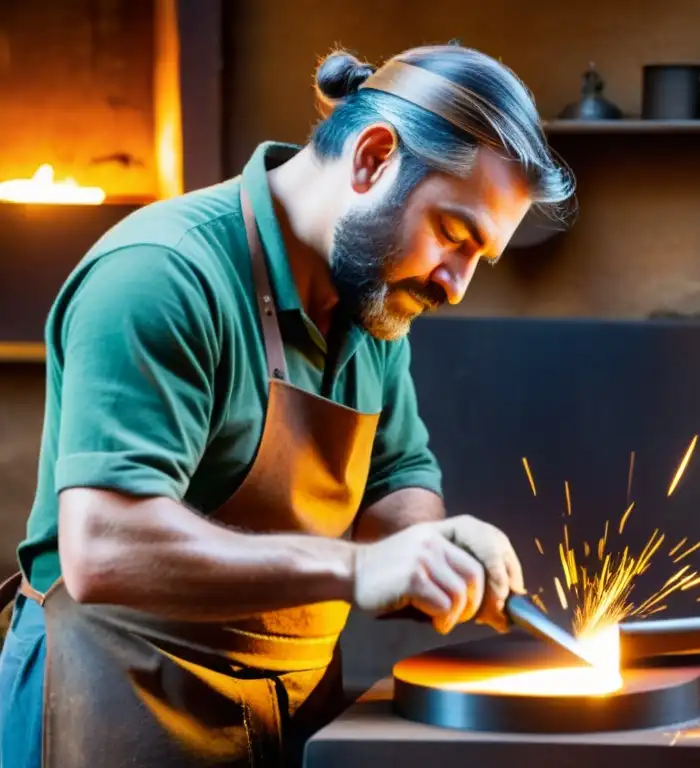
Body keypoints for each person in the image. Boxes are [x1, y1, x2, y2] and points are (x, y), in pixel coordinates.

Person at [0, 43, 575, 767]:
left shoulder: (372, 299)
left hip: (288, 719)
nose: (455, 284)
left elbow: (398, 482)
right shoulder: (161, 275)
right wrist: (357, 570)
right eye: (453, 236)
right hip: (107, 711)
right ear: (372, 158)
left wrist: (438, 551)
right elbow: (106, 545)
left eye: (476, 258)